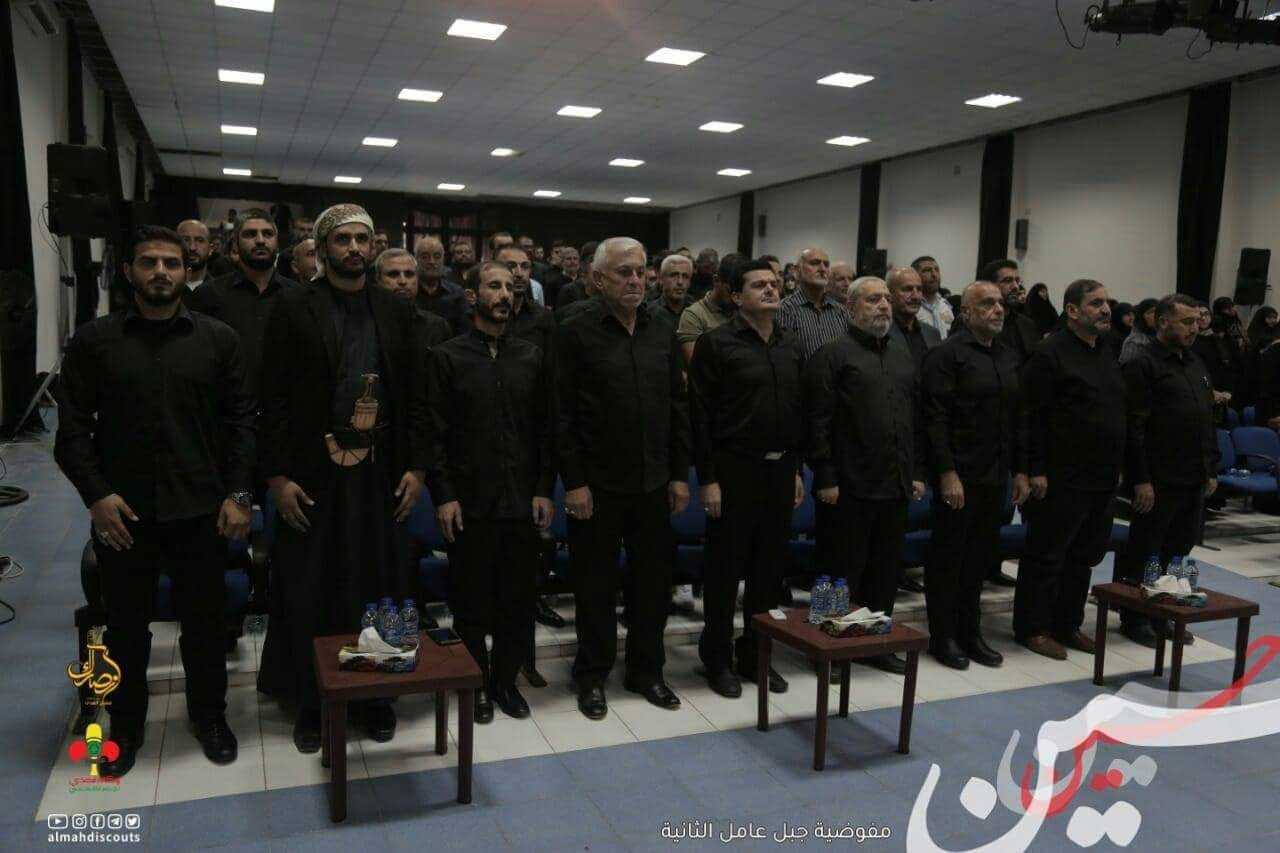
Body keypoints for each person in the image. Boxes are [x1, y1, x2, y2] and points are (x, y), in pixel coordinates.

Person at [54, 225, 255, 776]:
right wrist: (96, 496)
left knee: (206, 625)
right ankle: (126, 725)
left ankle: (210, 717)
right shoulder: (95, 342)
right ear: (129, 272)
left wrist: (239, 494)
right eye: (149, 262)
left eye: (171, 263)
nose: (161, 272)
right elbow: (71, 432)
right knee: (125, 629)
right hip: (124, 513)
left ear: (187, 271)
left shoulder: (219, 340)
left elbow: (242, 424)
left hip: (201, 510)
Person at [256, 204, 428, 751]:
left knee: (382, 586)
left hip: (380, 476)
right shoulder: (291, 306)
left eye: (362, 239)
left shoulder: (395, 310)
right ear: (324, 246)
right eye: (343, 239)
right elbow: (271, 399)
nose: (354, 248)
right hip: (312, 478)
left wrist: (417, 468)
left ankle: (377, 697)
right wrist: (277, 478)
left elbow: (416, 397)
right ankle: (314, 703)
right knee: (312, 588)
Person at [556, 237, 691, 720]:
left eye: (640, 271)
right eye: (624, 272)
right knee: (594, 585)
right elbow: (560, 414)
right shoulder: (573, 330)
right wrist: (574, 482)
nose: (636, 280)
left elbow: (677, 406)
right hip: (596, 484)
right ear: (598, 279)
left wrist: (679, 475)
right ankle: (592, 675)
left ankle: (646, 671)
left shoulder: (662, 328)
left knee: (652, 586)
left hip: (653, 481)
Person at [426, 262, 555, 723]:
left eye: (509, 287)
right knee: (472, 602)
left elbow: (546, 430)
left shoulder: (531, 356)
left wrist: (544, 489)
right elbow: (435, 434)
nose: (504, 294)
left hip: (521, 500)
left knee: (517, 601)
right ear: (472, 296)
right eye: (493, 286)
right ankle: (476, 683)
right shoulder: (447, 357)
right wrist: (444, 495)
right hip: (470, 501)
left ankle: (504, 682)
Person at [689, 260, 804, 697]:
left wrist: (796, 470)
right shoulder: (716, 343)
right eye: (759, 285)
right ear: (737, 296)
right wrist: (708, 479)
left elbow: (797, 411)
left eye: (774, 284)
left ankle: (756, 655)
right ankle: (717, 658)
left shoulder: (790, 343)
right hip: (733, 470)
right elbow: (700, 416)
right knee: (725, 571)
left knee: (768, 572)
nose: (771, 290)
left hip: (780, 470)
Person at [807, 276, 925, 675]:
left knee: (884, 571)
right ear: (851, 307)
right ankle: (827, 649)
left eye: (887, 298)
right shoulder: (833, 354)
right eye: (874, 299)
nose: (884, 305)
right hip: (846, 485)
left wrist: (916, 471)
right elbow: (818, 420)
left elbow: (914, 418)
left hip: (894, 482)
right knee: (836, 572)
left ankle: (874, 644)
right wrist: (825, 476)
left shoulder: (901, 352)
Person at [1014, 280, 1125, 660]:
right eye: (1095, 303)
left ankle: (1067, 623)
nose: (1106, 309)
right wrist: (1034, 468)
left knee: (1083, 557)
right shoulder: (1049, 353)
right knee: (1047, 557)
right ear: (1072, 310)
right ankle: (1033, 627)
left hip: (1101, 477)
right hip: (1060, 477)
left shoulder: (1106, 350)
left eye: (1106, 302)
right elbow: (1030, 415)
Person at [921, 282, 1029, 670]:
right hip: (960, 476)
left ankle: (970, 631)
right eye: (987, 304)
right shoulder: (946, 355)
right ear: (966, 313)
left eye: (999, 304)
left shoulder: (1007, 355)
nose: (997, 310)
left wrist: (1020, 470)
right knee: (949, 559)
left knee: (979, 560)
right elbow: (935, 419)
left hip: (995, 474)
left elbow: (1017, 418)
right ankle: (943, 635)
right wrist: (947, 473)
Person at [1114, 294, 1219, 647]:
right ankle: (1135, 616)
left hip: (1192, 477)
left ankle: (1164, 612)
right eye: (1187, 322)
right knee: (1147, 550)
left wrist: (1210, 468)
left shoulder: (1195, 363)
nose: (1195, 328)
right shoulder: (1142, 364)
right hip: (1158, 479)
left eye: (1197, 321)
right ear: (1162, 322)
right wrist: (1140, 479)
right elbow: (1134, 428)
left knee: (1177, 553)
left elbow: (1206, 419)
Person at [188, 209, 300, 427]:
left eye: (268, 234)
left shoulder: (299, 296)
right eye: (250, 234)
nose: (260, 240)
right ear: (235, 243)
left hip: (283, 421)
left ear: (277, 242)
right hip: (224, 418)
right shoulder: (208, 295)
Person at [778, 247, 849, 586]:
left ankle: (826, 587)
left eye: (825, 263)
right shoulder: (785, 310)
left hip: (836, 420)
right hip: (797, 415)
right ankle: (782, 580)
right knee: (789, 508)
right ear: (796, 270)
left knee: (834, 517)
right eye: (814, 263)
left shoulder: (841, 312)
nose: (822, 268)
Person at [885, 265, 941, 595]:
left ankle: (900, 569)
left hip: (924, 431)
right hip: (890, 435)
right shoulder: (880, 333)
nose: (915, 295)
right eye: (907, 289)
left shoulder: (931, 335)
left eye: (919, 289)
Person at [374, 248, 453, 350]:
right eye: (393, 274)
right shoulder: (366, 324)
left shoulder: (437, 327)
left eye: (409, 274)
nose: (403, 281)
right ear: (378, 280)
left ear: (417, 279)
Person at [677, 253, 742, 364]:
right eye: (729, 291)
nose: (735, 298)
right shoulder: (694, 315)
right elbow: (696, 365)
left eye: (740, 293)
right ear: (716, 280)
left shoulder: (743, 310)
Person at [497, 244, 555, 359]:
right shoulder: (483, 315)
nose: (519, 273)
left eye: (525, 266)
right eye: (511, 266)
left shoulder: (543, 317)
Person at [414, 235, 467, 332]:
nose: (432, 261)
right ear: (416, 259)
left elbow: (464, 331)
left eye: (437, 256)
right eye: (425, 257)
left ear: (443, 260)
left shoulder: (457, 293)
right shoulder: (409, 292)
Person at [912, 256, 953, 338]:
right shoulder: (911, 306)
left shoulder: (945, 306)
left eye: (937, 270)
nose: (934, 274)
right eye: (927, 270)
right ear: (914, 276)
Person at [647, 254, 694, 324]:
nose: (680, 282)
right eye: (674, 275)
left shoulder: (698, 313)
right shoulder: (648, 314)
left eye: (685, 276)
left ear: (690, 282)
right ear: (661, 278)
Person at [555, 243, 595, 309]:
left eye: (575, 258)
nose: (572, 262)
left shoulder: (585, 280)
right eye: (568, 259)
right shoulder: (553, 283)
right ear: (562, 262)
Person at [1119, 298, 1159, 365]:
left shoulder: (1161, 336)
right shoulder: (1135, 342)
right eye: (1150, 312)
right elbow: (1128, 368)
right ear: (1141, 317)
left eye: (1157, 311)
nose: (1154, 315)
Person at [176, 219, 213, 291]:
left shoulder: (221, 291)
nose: (192, 247)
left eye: (200, 240)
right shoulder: (164, 288)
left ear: (211, 249)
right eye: (185, 240)